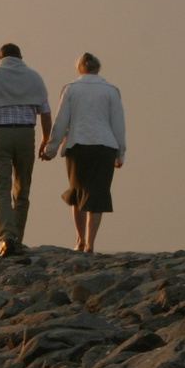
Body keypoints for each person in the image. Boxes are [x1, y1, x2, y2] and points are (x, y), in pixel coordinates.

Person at [42, 53, 126, 253]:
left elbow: (61, 121)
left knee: (77, 192)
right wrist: (121, 152)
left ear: (79, 68)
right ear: (98, 68)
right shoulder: (111, 90)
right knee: (97, 194)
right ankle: (91, 243)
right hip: (104, 145)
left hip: (77, 144)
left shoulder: (71, 89)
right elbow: (118, 124)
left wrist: (50, 149)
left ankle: (80, 240)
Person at [0, 43, 51, 258]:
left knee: (1, 187)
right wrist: (46, 140)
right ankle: (17, 239)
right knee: (22, 188)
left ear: (0, 57)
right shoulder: (34, 77)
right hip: (26, 133)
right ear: (21, 57)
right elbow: (45, 113)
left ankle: (6, 236)